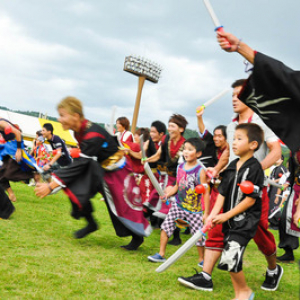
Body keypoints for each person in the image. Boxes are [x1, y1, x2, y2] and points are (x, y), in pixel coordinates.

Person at [179, 79, 283, 292]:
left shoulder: (262, 122)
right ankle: (205, 276)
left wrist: (253, 172)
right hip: (229, 185)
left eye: (239, 95)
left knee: (260, 233)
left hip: (254, 190)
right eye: (232, 96)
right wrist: (216, 170)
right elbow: (228, 152)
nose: (234, 99)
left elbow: (276, 152)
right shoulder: (231, 125)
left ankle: (273, 269)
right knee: (216, 225)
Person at [35, 96, 151, 250]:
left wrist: (51, 186)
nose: (59, 119)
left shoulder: (92, 134)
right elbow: (83, 161)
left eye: (62, 115)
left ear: (75, 116)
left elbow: (81, 163)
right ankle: (91, 223)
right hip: (98, 168)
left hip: (117, 171)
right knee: (76, 189)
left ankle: (137, 237)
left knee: (121, 206)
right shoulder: (79, 131)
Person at [206, 123, 264, 300]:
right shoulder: (232, 166)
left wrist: (225, 215)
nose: (234, 143)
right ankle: (241, 293)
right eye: (233, 139)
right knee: (230, 260)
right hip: (229, 222)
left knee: (230, 257)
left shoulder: (255, 168)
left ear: (253, 144)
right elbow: (222, 193)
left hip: (245, 222)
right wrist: (212, 214)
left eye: (239, 139)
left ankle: (244, 292)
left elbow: (250, 200)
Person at [148, 138, 210, 265]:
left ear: (198, 154)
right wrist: (167, 194)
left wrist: (206, 213)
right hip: (178, 204)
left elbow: (206, 191)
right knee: (165, 227)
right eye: (184, 149)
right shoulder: (180, 167)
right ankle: (161, 254)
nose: (185, 152)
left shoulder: (200, 171)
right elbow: (177, 186)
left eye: (190, 150)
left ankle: (202, 259)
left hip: (194, 209)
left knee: (198, 236)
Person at [146, 114, 188, 245]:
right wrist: (146, 160)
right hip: (169, 178)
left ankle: (177, 237)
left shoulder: (186, 144)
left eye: (172, 126)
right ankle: (172, 235)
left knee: (175, 206)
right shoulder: (167, 140)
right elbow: (158, 155)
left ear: (181, 129)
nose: (169, 128)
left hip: (181, 180)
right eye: (169, 125)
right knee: (167, 205)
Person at [0, 119, 37, 202]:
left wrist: (19, 150)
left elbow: (17, 132)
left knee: (9, 174)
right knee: (1, 174)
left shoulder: (1, 123)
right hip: (8, 147)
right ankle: (11, 195)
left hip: (15, 146)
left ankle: (32, 175)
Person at [276, 151, 300, 262]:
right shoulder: (294, 151)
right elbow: (293, 172)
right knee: (285, 219)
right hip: (296, 189)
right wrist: (288, 182)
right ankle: (288, 252)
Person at [268, 155, 288, 229]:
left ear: (282, 160)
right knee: (270, 205)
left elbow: (285, 178)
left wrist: (274, 181)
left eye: (278, 158)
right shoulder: (274, 168)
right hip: (272, 188)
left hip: (278, 189)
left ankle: (276, 224)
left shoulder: (282, 168)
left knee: (275, 205)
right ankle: (271, 223)